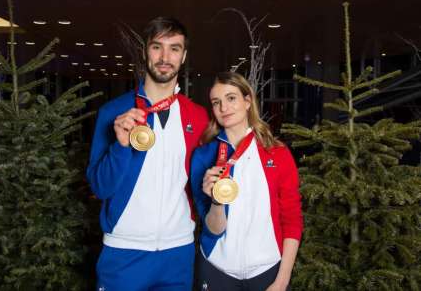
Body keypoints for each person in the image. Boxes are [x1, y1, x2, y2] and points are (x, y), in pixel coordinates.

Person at [86, 16, 208, 291]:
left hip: (178, 253)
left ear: (184, 55)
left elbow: (203, 187)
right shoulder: (114, 113)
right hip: (123, 253)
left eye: (174, 48)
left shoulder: (198, 117)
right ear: (145, 52)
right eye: (157, 47)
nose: (165, 57)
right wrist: (120, 145)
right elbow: (100, 186)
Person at [190, 72, 303, 291]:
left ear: (248, 101)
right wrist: (216, 201)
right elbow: (212, 229)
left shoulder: (276, 153)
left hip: (268, 270)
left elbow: (292, 219)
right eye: (216, 102)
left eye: (231, 98)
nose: (224, 107)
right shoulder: (204, 156)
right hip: (216, 269)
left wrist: (282, 280)